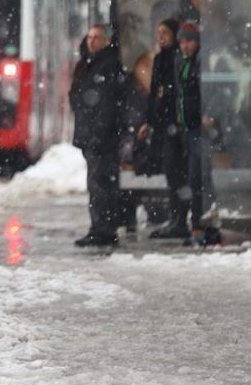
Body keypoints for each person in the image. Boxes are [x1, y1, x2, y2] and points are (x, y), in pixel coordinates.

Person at [70, 24, 127, 247]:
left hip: (101, 138)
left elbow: (106, 105)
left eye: (96, 37)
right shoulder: (89, 64)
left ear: (106, 41)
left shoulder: (106, 65)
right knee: (99, 183)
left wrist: (97, 135)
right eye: (90, 37)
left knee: (100, 184)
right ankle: (102, 227)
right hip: (93, 136)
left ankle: (102, 229)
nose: (91, 41)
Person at [137, 18, 191, 239]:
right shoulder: (160, 58)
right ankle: (176, 218)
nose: (161, 37)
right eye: (159, 33)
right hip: (163, 124)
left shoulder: (178, 58)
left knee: (177, 171)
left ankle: (180, 219)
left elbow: (174, 91)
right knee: (170, 171)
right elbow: (154, 92)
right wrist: (149, 121)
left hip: (174, 124)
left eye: (165, 33)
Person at [172, 21, 219, 247]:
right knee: (195, 179)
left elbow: (213, 91)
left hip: (200, 129)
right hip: (189, 128)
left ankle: (203, 227)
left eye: (189, 41)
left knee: (199, 178)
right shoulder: (183, 62)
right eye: (182, 41)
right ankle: (199, 225)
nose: (185, 45)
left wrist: (208, 113)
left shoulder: (202, 62)